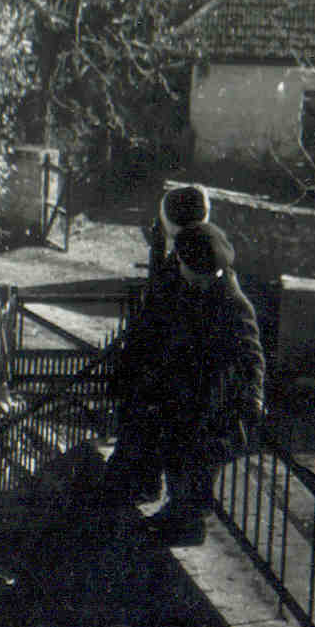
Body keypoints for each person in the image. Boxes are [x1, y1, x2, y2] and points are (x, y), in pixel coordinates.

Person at [103, 221, 264, 546]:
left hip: (209, 397)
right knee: (160, 437)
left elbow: (251, 357)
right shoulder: (179, 283)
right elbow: (151, 326)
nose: (180, 267)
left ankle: (188, 523)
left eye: (185, 266)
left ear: (203, 271)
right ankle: (156, 494)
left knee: (193, 457)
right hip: (178, 386)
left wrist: (253, 400)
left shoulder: (232, 302)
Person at [110, 184, 216, 504]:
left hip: (169, 362)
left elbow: (166, 314)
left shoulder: (186, 260)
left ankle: (145, 482)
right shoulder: (197, 252)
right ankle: (143, 479)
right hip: (172, 361)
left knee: (157, 428)